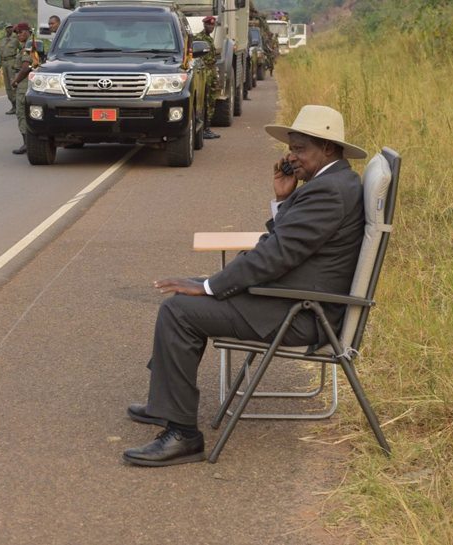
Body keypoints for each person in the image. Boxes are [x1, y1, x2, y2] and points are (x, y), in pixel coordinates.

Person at [122, 105, 368, 467]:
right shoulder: (333, 183)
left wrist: (210, 286)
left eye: (300, 149)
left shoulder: (329, 192)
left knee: (179, 310)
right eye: (292, 148)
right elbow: (286, 244)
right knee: (188, 296)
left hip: (300, 311)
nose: (291, 157)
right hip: (294, 299)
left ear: (328, 148)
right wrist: (283, 199)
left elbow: (275, 256)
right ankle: (167, 404)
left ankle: (183, 434)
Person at [194, 16, 220, 139]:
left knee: (211, 100)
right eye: (209, 25)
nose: (211, 27)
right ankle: (204, 129)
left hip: (211, 71)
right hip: (204, 73)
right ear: (204, 25)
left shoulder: (209, 39)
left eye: (213, 26)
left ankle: (207, 127)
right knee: (205, 101)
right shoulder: (199, 38)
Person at [10, 22, 35, 155]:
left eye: (20, 32)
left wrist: (15, 81)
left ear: (26, 32)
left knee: (21, 113)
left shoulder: (28, 46)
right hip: (28, 82)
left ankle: (27, 144)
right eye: (16, 33)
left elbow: (25, 67)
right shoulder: (32, 43)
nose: (18, 35)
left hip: (24, 83)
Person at [0, 23, 19, 115]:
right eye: (7, 28)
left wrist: (18, 61)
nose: (9, 29)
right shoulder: (3, 40)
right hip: (4, 63)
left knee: (13, 84)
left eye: (10, 28)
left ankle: (18, 106)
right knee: (7, 86)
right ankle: (13, 106)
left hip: (12, 62)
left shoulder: (16, 39)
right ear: (5, 29)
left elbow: (22, 49)